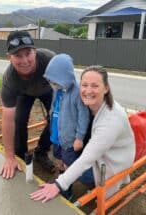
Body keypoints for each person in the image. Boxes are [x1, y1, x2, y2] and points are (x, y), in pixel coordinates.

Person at [30, 65, 135, 202]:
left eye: (95, 86)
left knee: (68, 160)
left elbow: (87, 159)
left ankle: (76, 184)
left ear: (106, 88)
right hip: (105, 152)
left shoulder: (110, 121)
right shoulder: (93, 104)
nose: (88, 91)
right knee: (68, 152)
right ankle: (68, 176)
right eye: (84, 85)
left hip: (112, 163)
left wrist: (58, 184)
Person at [0, 30, 56, 179]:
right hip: (24, 93)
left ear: (35, 52)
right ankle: (20, 156)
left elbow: (67, 91)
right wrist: (9, 157)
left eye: (28, 53)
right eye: (18, 55)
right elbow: (7, 119)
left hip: (48, 90)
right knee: (18, 121)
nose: (24, 61)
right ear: (10, 58)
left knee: (57, 119)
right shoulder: (9, 79)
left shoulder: (51, 61)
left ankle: (41, 152)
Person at [43, 54, 90, 199]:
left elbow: (83, 116)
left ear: (65, 77)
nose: (53, 84)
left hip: (69, 139)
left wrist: (79, 137)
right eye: (51, 81)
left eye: (55, 81)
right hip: (57, 135)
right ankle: (61, 180)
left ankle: (67, 190)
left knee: (69, 164)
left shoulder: (76, 92)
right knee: (59, 160)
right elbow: (53, 108)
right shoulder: (57, 90)